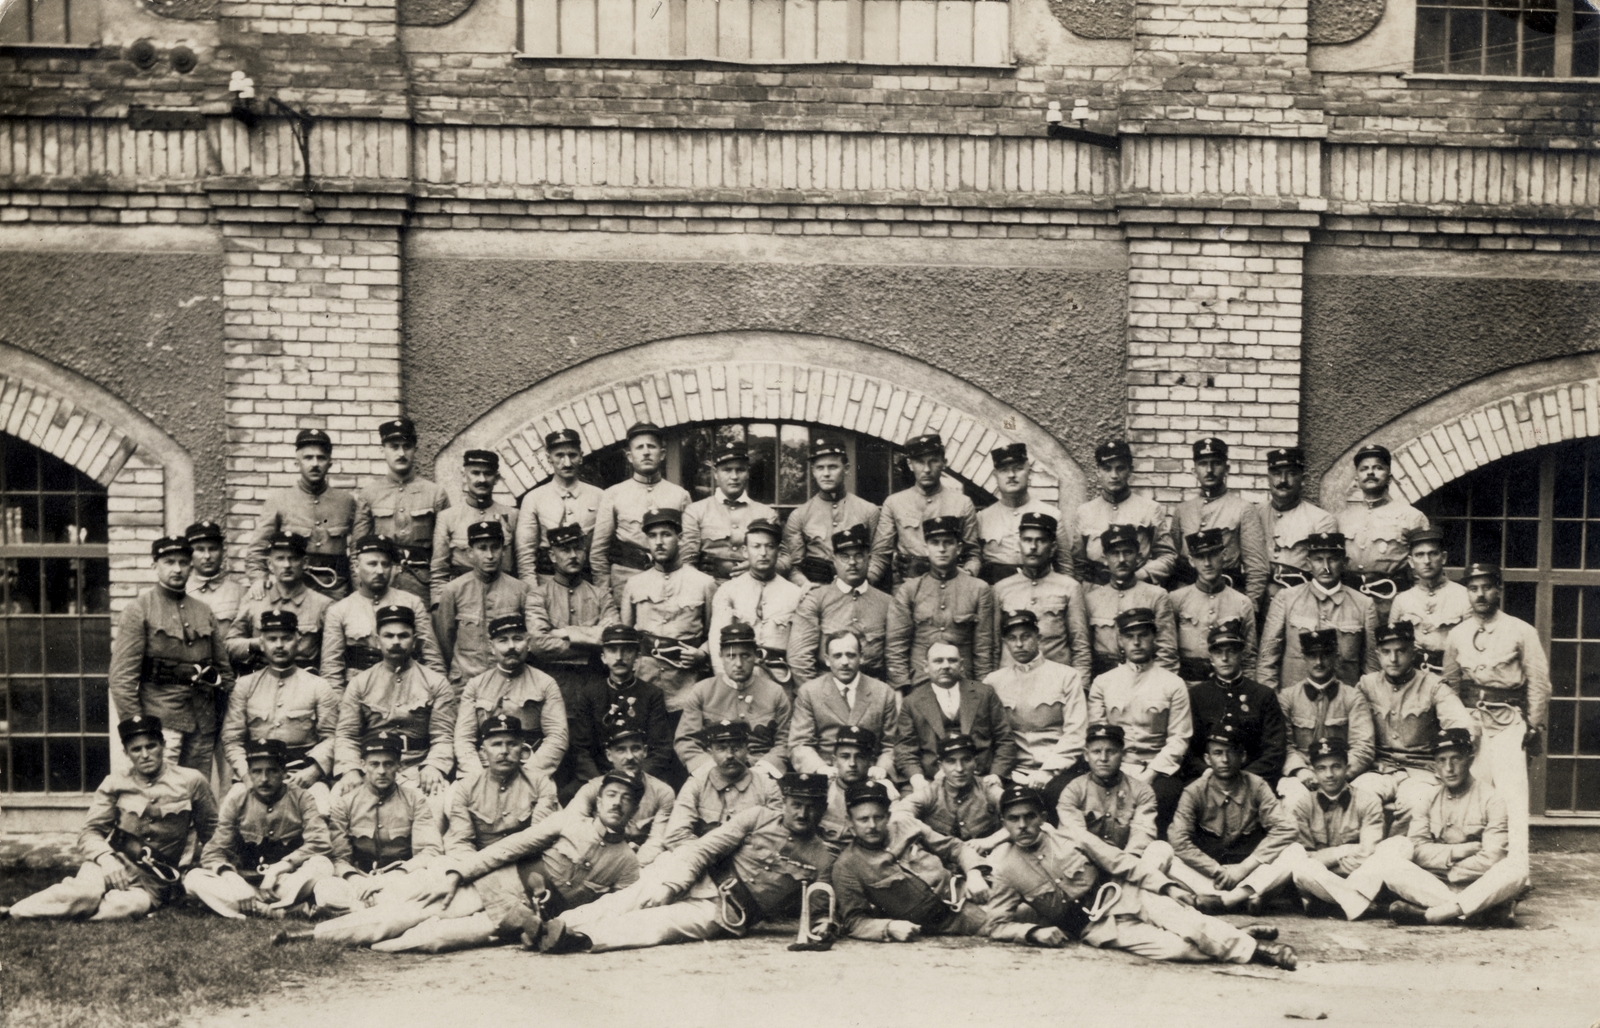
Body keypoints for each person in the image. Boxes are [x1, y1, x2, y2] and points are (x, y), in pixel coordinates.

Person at [981, 784, 1297, 970]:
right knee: (1181, 950)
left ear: (1042, 818)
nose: (1022, 825)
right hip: (1098, 928)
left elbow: (1123, 863)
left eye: (1029, 817)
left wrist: (1168, 887)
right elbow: (995, 924)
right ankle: (1240, 935)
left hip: (1126, 893)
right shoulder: (1006, 868)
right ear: (1003, 823)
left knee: (1192, 924)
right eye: (1013, 819)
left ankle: (1260, 953)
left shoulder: (1072, 837)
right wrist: (1034, 932)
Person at [531, 772, 835, 955]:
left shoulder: (822, 857)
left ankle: (578, 940)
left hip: (726, 913)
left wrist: (823, 927)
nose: (803, 814)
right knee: (628, 899)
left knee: (658, 925)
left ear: (822, 810)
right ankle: (548, 927)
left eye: (812, 808)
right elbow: (703, 850)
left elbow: (820, 911)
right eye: (797, 805)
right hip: (694, 874)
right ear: (784, 802)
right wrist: (671, 886)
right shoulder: (756, 817)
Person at [373, 767, 646, 953]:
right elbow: (509, 847)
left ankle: (373, 950)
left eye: (626, 799)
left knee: (435, 938)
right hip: (495, 885)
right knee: (403, 915)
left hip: (520, 920)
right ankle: (334, 936)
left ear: (634, 809)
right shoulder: (569, 822)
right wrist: (457, 875)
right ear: (598, 801)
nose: (617, 803)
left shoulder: (627, 864)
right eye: (611, 795)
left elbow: (609, 912)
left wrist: (567, 930)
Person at [6, 716, 218, 921]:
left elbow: (213, 833)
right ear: (126, 753)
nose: (145, 755)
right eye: (136, 749)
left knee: (123, 907)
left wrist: (217, 872)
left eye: (151, 746)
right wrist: (106, 859)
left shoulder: (191, 781)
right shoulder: (114, 783)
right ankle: (14, 912)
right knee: (83, 894)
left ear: (163, 745)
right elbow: (90, 833)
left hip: (152, 881)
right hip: (110, 863)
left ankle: (75, 913)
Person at [1322, 728, 1527, 926]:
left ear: (1470, 759)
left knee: (1515, 870)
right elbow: (1417, 850)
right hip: (1433, 883)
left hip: (1474, 881)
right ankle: (1476, 910)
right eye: (1441, 761)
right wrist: (1457, 852)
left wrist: (1448, 869)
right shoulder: (1427, 798)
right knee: (1390, 864)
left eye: (1455, 758)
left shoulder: (1492, 799)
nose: (1449, 768)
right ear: (1435, 766)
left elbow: (1492, 859)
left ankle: (1436, 914)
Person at [1444, 561, 1549, 864]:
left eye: (1487, 587)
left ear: (1499, 589)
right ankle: (1480, 863)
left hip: (1507, 723)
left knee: (1512, 798)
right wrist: (1455, 727)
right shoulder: (1457, 635)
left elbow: (1539, 681)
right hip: (1470, 724)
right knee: (1474, 793)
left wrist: (1534, 724)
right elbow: (1449, 685)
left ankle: (1518, 869)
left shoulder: (1520, 630)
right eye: (1473, 588)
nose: (1480, 594)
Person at [109, 535, 234, 772]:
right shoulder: (139, 609)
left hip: (203, 722)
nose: (177, 569)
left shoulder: (203, 611)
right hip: (161, 723)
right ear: (154, 565)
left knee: (196, 793)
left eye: (183, 562)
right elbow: (121, 679)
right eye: (169, 562)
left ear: (191, 566)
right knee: (160, 794)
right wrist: (138, 731)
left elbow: (224, 671)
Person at [184, 738, 335, 919]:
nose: (264, 779)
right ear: (248, 773)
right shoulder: (237, 802)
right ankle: (278, 911)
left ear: (283, 772)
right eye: (257, 772)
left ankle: (248, 908)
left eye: (271, 771)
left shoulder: (302, 799)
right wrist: (234, 880)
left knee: (322, 865)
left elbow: (320, 842)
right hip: (247, 884)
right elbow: (213, 851)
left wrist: (278, 869)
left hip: (285, 881)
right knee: (193, 879)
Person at [1156, 722, 1297, 915]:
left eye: (1232, 752)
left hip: (1249, 874)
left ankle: (1229, 901)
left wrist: (1245, 868)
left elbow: (1286, 829)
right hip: (1209, 877)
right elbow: (1179, 840)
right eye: (1218, 753)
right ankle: (1247, 899)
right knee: (1161, 852)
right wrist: (1215, 869)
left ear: (1243, 756)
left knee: (1295, 851)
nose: (1225, 760)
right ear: (1207, 758)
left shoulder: (1257, 786)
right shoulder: (1194, 791)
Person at [1353, 619, 1475, 836]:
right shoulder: (1366, 685)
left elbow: (1462, 728)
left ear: (1413, 652)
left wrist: (1443, 762)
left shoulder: (1433, 685)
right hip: (1378, 769)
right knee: (1359, 795)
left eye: (1401, 651)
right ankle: (1367, 855)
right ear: (1378, 654)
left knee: (1415, 803)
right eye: (1386, 651)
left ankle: (1394, 855)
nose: (1393, 658)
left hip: (1421, 773)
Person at [832, 780, 991, 941]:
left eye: (878, 817)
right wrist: (889, 927)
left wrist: (974, 873)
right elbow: (854, 921)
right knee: (1005, 926)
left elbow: (954, 847)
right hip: (945, 922)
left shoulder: (907, 825)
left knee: (1011, 909)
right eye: (863, 819)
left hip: (971, 892)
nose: (872, 825)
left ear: (888, 816)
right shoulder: (847, 866)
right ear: (850, 823)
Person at [310, 730, 444, 920]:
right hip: (359, 880)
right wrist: (355, 880)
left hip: (399, 879)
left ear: (399, 765)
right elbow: (338, 856)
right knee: (325, 886)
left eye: (388, 764)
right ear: (363, 766)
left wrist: (391, 878)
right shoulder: (345, 803)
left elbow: (430, 850)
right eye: (375, 764)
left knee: (427, 878)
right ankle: (382, 911)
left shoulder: (415, 800)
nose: (382, 771)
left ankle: (353, 911)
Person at [333, 604, 456, 799]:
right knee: (339, 802)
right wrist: (351, 769)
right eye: (389, 636)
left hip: (418, 768)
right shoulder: (359, 683)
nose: (396, 642)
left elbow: (443, 736)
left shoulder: (435, 683)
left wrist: (434, 766)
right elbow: (347, 736)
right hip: (372, 771)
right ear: (376, 640)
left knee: (439, 800)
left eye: (403, 636)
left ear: (414, 641)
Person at [221, 610, 339, 811]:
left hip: (300, 775)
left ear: (298, 640)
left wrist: (314, 771)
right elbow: (232, 739)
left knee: (323, 810)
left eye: (286, 638)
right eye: (272, 639)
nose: (279, 645)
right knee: (228, 811)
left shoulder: (318, 686)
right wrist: (247, 776)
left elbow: (333, 737)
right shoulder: (245, 686)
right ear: (262, 643)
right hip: (254, 774)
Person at [1088, 608, 1191, 829]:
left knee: (1164, 798)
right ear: (1120, 641)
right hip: (1113, 766)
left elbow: (1178, 739)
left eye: (1143, 635)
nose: (1136, 642)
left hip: (1155, 767)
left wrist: (1150, 774)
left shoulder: (1173, 684)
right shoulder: (1103, 682)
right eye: (1129, 636)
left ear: (1154, 638)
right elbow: (1097, 736)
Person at [1267, 737, 1385, 919]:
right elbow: (1303, 856)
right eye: (1321, 768)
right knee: (1302, 868)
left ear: (1347, 767)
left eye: (1336, 766)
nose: (1329, 774)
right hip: (1316, 880)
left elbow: (1367, 853)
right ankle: (1355, 903)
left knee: (1388, 853)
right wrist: (1343, 851)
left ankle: (1333, 904)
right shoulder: (1303, 805)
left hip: (1356, 878)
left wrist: (1324, 863)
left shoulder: (1368, 801)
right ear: (1313, 772)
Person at [984, 609, 1088, 811]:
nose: (1019, 644)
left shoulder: (1066, 676)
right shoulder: (993, 682)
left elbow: (1076, 733)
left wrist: (1048, 770)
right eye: (1012, 638)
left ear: (1038, 637)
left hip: (1059, 770)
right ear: (1005, 642)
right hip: (1014, 771)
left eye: (1026, 636)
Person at [619, 505, 719, 713]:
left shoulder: (704, 583)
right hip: (643, 682)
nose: (659, 542)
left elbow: (715, 632)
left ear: (680, 538)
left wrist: (702, 653)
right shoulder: (634, 584)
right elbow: (626, 637)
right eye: (653, 536)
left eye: (666, 535)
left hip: (686, 684)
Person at [320, 535, 446, 693]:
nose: (379, 571)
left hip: (407, 690)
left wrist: (437, 695)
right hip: (361, 692)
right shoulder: (340, 610)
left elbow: (432, 658)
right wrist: (340, 706)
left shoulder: (412, 603)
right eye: (372, 564)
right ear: (356, 567)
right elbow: (331, 669)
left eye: (385, 564)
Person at [1258, 531, 1380, 693]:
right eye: (1318, 560)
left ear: (1344, 562)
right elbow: (1267, 656)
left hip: (1345, 705)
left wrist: (1359, 705)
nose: (1326, 568)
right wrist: (1272, 703)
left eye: (1333, 560)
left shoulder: (1364, 604)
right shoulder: (1286, 599)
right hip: (1294, 705)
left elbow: (1372, 666)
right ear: (1308, 563)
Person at [886, 516, 998, 690]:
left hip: (964, 684)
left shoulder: (979, 589)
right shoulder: (909, 590)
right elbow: (896, 646)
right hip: (920, 685)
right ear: (926, 548)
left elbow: (983, 649)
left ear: (959, 548)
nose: (942, 549)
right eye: (935, 543)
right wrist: (902, 688)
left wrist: (982, 691)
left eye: (948, 543)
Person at [246, 427, 357, 601]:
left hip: (337, 591)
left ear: (330, 463)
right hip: (295, 590)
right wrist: (258, 579)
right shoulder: (279, 501)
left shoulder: (346, 502)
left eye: (321, 458)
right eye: (308, 457)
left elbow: (358, 552)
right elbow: (258, 549)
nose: (314, 463)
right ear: (297, 462)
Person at [565, 625, 676, 794]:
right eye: (612, 650)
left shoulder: (651, 694)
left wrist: (635, 778)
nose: (619, 657)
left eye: (627, 651)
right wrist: (598, 781)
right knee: (567, 796)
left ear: (637, 657)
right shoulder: (590, 693)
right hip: (600, 775)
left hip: (641, 775)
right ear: (603, 657)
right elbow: (580, 748)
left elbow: (661, 748)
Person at [454, 613, 568, 778]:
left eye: (517, 639)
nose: (511, 647)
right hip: (483, 769)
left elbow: (557, 737)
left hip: (530, 768)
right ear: (491, 647)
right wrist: (477, 776)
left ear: (528, 643)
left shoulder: (545, 684)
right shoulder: (475, 686)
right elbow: (463, 739)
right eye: (503, 640)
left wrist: (529, 775)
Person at [674, 622, 793, 776]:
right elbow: (686, 741)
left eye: (745, 655)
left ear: (756, 656)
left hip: (761, 774)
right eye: (731, 656)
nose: (738, 664)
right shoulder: (702, 691)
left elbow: (785, 741)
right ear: (721, 656)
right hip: (712, 773)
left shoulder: (775, 693)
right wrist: (712, 770)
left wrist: (761, 770)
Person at [526, 522, 619, 718]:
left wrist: (564, 633)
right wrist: (592, 639)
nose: (573, 555)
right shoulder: (538, 596)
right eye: (565, 550)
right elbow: (538, 644)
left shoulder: (602, 595)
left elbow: (612, 640)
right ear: (552, 556)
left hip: (596, 688)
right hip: (553, 689)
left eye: (578, 548)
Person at [592, 421, 691, 604]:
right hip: (625, 579)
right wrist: (604, 593)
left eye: (651, 446)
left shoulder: (680, 495)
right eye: (639, 447)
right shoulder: (613, 494)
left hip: (670, 580)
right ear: (629, 456)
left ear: (662, 454)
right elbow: (599, 551)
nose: (646, 452)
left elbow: (688, 547)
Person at [1275, 628, 1376, 806]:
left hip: (1343, 775)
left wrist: (1337, 773)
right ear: (1303, 658)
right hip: (1302, 775)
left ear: (1336, 657)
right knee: (1294, 800)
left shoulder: (1353, 697)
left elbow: (1363, 746)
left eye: (1325, 655)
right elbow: (1283, 745)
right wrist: (1300, 771)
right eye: (1312, 656)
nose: (1319, 662)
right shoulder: (1287, 698)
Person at [354, 417, 451, 601]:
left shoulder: (435, 493)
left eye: (406, 446)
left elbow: (443, 554)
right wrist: (361, 594)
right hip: (381, 585)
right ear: (383, 450)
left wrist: (438, 597)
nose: (401, 453)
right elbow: (356, 553)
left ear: (415, 449)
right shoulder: (369, 494)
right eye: (394, 446)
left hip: (422, 586)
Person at [1181, 620, 1286, 788]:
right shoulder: (1196, 695)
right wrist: (1208, 774)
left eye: (1231, 651)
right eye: (1218, 653)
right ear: (1211, 658)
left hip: (1254, 782)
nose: (1224, 658)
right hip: (1207, 781)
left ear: (1242, 654)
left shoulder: (1263, 695)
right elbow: (1188, 749)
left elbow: (1275, 750)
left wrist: (1246, 779)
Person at [895, 643, 1016, 786]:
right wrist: (917, 778)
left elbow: (1005, 739)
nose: (946, 666)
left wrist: (997, 774)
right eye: (938, 661)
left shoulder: (984, 693)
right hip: (931, 782)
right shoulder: (912, 702)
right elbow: (905, 749)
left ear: (962, 665)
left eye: (952, 660)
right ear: (926, 666)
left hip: (983, 780)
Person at [442, 713, 562, 857]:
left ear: (522, 750)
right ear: (483, 752)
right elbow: (460, 842)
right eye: (496, 744)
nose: (504, 751)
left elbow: (540, 838)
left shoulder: (540, 783)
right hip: (479, 866)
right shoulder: (466, 787)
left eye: (512, 744)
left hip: (526, 864)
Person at [991, 511, 1092, 679]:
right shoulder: (1001, 589)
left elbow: (1080, 646)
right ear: (1019, 544)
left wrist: (1081, 688)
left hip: (1056, 682)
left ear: (1052, 548)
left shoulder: (1069, 587)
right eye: (1027, 540)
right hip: (1012, 682)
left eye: (1040, 541)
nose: (1033, 547)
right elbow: (993, 648)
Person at [870, 432, 979, 588]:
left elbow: (973, 555)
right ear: (910, 464)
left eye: (933, 461)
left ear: (944, 463)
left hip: (951, 585)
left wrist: (967, 576)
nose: (927, 469)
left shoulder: (962, 504)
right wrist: (865, 580)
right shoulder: (894, 503)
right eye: (920, 462)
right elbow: (880, 555)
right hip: (908, 587)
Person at [433, 519, 534, 687]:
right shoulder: (453, 590)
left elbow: (529, 641)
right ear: (470, 553)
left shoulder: (522, 590)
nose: (490, 555)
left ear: (503, 551)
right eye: (482, 548)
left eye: (495, 547)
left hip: (510, 682)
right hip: (465, 682)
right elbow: (445, 642)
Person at [787, 524, 892, 682]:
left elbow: (895, 655)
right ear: (834, 561)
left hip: (873, 690)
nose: (852, 562)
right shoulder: (816, 599)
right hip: (827, 688)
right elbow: (800, 658)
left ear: (869, 559)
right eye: (844, 556)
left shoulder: (887, 603)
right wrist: (816, 697)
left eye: (858, 555)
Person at [1339, 444, 1430, 624]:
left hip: (1391, 603)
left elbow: (1423, 569)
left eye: (1378, 467)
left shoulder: (1411, 517)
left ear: (1390, 477)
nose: (1370, 473)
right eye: (1364, 469)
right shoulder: (1342, 518)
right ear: (1356, 479)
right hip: (1349, 602)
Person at [789, 629, 899, 776]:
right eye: (837, 656)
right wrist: (821, 769)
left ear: (862, 657)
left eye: (851, 655)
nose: (845, 662)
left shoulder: (883, 693)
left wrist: (882, 768)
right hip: (827, 773)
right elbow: (800, 743)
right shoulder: (809, 692)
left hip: (870, 775)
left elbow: (892, 745)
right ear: (827, 660)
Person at [661, 719, 783, 852]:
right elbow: (675, 835)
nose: (730, 755)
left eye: (736, 748)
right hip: (705, 865)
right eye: (721, 749)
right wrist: (708, 856)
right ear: (710, 752)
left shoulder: (767, 786)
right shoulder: (696, 785)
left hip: (752, 865)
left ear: (747, 750)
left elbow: (778, 836)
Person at [1173, 437, 1268, 605]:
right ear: (1194, 470)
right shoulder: (1182, 510)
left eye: (1216, 463)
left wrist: (1249, 606)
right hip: (1187, 598)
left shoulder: (1243, 508)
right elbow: (1174, 560)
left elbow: (1256, 567)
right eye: (1203, 464)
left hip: (1227, 597)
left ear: (1226, 469)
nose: (1209, 470)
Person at [779, 433, 880, 589]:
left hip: (858, 588)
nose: (826, 473)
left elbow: (878, 557)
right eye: (820, 468)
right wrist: (806, 585)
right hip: (817, 589)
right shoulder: (800, 515)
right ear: (813, 471)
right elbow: (793, 566)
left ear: (846, 469)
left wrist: (865, 582)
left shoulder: (868, 511)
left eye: (833, 467)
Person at [565, 723, 677, 865]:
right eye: (621, 750)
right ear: (609, 755)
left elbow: (656, 841)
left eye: (635, 748)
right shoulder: (593, 788)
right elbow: (572, 822)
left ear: (645, 751)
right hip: (597, 858)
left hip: (641, 862)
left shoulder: (663, 792)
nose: (629, 756)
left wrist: (632, 867)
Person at [1073, 439, 1179, 587]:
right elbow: (1078, 564)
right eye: (1107, 469)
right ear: (1098, 471)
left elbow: (1168, 556)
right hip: (1097, 592)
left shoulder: (1149, 509)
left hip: (1137, 590)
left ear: (1130, 470)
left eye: (1120, 468)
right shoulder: (1084, 512)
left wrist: (1141, 575)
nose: (1114, 475)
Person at [706, 518, 802, 679]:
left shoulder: (795, 594)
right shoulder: (728, 591)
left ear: (778, 552)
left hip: (779, 678)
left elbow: (800, 650)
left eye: (770, 547)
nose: (763, 553)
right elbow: (717, 644)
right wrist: (725, 681)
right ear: (745, 551)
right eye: (756, 546)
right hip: (739, 677)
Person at [226, 531, 332, 676]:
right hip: (260, 681)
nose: (287, 565)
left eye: (293, 559)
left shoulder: (323, 605)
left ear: (305, 563)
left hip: (303, 683)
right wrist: (257, 644)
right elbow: (230, 646)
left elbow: (330, 660)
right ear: (270, 564)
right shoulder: (255, 599)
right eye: (280, 559)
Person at [1084, 525, 1179, 677]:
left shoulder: (1157, 596)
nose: (1121, 560)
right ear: (1105, 559)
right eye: (1115, 553)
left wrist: (1158, 689)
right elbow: (1085, 652)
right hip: (1105, 681)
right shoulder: (1091, 599)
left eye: (1128, 552)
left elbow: (1166, 651)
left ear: (1139, 557)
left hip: (1146, 678)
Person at [1253, 447, 1337, 612]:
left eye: (1291, 473)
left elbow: (1324, 572)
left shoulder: (1321, 520)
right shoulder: (1254, 514)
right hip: (1258, 603)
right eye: (1277, 474)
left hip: (1300, 603)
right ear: (1267, 478)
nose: (1283, 480)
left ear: (1303, 479)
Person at [1170, 527, 1259, 684]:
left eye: (1212, 555)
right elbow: (1167, 652)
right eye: (1200, 557)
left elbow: (1249, 658)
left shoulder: (1242, 603)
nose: (1207, 563)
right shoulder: (1176, 599)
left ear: (1224, 555)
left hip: (1227, 686)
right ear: (1191, 561)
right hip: (1188, 684)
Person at [681, 439, 778, 582]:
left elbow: (784, 559)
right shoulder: (696, 511)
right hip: (710, 587)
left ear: (748, 473)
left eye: (740, 470)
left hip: (754, 586)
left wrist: (756, 567)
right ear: (715, 473)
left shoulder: (766, 513)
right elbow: (687, 560)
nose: (734, 476)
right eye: (727, 470)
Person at [516, 428, 604, 585]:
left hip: (587, 582)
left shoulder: (599, 496)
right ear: (549, 458)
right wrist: (534, 594)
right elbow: (525, 554)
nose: (567, 462)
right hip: (547, 581)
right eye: (559, 456)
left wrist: (600, 592)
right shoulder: (533, 498)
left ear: (581, 457)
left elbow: (604, 550)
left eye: (572, 455)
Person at [976, 443, 1072, 585]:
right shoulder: (982, 517)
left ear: (1029, 472)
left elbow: (1065, 568)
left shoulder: (1051, 514)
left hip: (1039, 591)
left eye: (1018, 469)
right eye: (1004, 470)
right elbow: (975, 562)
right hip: (994, 593)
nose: (1011, 475)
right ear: (995, 476)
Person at [1057, 723, 1159, 855]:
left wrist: (1125, 867)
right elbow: (1077, 838)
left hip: (1130, 865)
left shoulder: (1141, 791)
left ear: (1122, 755)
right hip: (1088, 861)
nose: (1103, 758)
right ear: (1086, 755)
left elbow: (1142, 836)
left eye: (1111, 751)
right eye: (1096, 752)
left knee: (1161, 849)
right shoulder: (1073, 790)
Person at [891, 732, 1007, 846]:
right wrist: (941, 843)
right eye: (951, 761)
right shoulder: (931, 792)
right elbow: (900, 815)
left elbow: (1022, 814)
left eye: (966, 760)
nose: (960, 768)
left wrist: (990, 841)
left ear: (975, 762)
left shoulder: (987, 789)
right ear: (941, 766)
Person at [1387, 526, 1473, 675]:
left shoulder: (1464, 597)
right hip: (1411, 677)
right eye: (1419, 555)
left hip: (1448, 675)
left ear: (1444, 557)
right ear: (1411, 561)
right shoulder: (1402, 600)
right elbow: (1393, 645)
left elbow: (1470, 650)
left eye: (1433, 554)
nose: (1426, 561)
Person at [432, 448, 519, 589]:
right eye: (475, 473)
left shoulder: (513, 516)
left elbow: (520, 567)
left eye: (488, 474)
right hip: (462, 595)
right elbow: (439, 571)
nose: (482, 480)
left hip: (503, 594)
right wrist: (439, 605)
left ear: (496, 478)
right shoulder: (447, 517)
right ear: (464, 475)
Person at [818, 725, 896, 847]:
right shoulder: (823, 791)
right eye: (845, 756)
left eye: (860, 757)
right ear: (834, 761)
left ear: (870, 761)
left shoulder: (885, 791)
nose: (852, 764)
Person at [185, 519, 246, 635]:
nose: (207, 556)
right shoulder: (179, 593)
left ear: (222, 552)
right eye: (200, 549)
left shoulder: (240, 593)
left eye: (213, 549)